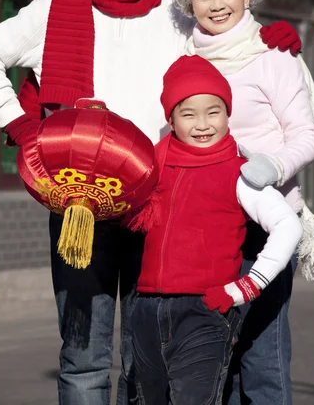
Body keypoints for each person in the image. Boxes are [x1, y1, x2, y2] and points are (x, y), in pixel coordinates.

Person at [0, 0, 299, 405]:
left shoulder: (177, 17)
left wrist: (264, 43)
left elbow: (224, 50)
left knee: (151, 359)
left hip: (158, 205)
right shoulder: (55, 7)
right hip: (80, 203)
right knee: (83, 360)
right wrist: (24, 129)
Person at [171, 0, 314, 405]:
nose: (217, 5)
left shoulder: (274, 56)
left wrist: (273, 164)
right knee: (212, 360)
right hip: (203, 226)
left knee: (262, 360)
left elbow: (310, 134)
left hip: (263, 226)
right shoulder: (185, 59)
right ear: (188, 4)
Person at [130, 54, 303, 405]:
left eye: (214, 111)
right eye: (188, 113)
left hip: (205, 311)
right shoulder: (151, 165)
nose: (202, 123)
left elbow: (287, 226)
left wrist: (245, 287)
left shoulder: (240, 172)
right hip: (147, 308)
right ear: (172, 119)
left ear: (227, 114)